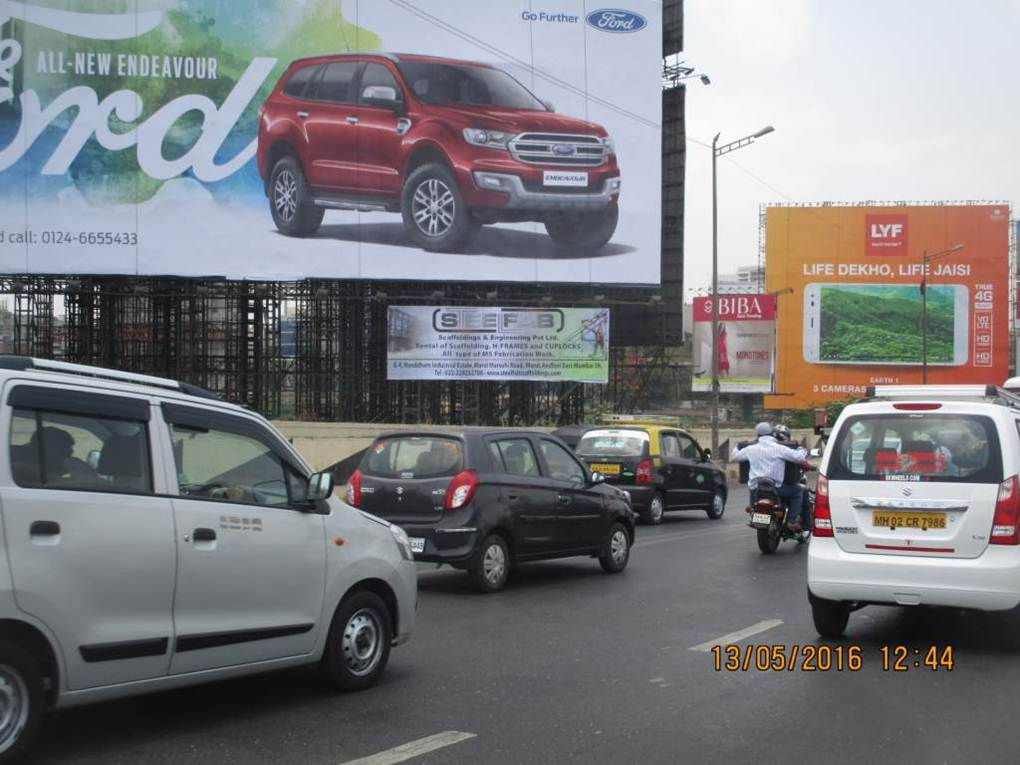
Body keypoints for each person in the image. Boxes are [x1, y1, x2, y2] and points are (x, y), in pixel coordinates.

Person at [731, 422, 809, 531]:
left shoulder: (750, 449)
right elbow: (799, 457)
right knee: (799, 491)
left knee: (753, 492)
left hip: (756, 490)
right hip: (777, 489)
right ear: (772, 434)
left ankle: (754, 516)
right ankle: (791, 521)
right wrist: (801, 448)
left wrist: (737, 446)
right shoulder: (780, 448)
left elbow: (734, 457)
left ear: (758, 435)